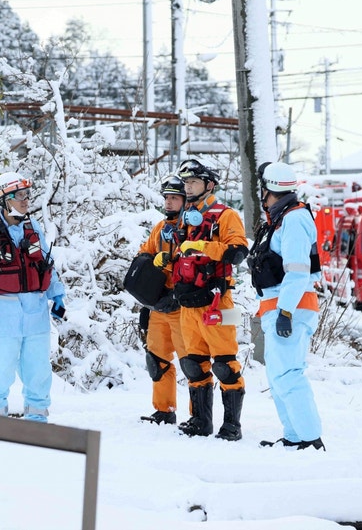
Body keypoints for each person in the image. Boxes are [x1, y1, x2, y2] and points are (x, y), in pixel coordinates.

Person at [0, 172, 65, 423]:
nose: (26, 200)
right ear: (5, 200)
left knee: (38, 372)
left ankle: (37, 421)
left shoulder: (33, 229)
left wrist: (58, 295)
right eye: (19, 196)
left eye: (27, 195)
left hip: (36, 314)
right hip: (4, 316)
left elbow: (46, 265)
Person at [248, 162, 325, 451]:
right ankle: (294, 436)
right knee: (278, 375)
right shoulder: (280, 220)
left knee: (289, 374)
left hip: (291, 307)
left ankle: (310, 438)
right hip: (277, 307)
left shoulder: (293, 219)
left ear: (267, 190)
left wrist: (286, 311)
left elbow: (297, 270)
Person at [172, 159, 249, 440]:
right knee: (193, 364)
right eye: (186, 183)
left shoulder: (225, 215)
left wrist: (206, 246)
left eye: (193, 182)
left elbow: (239, 252)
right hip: (188, 303)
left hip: (218, 302)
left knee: (225, 365)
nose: (188, 187)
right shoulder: (184, 215)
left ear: (209, 185)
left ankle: (232, 426)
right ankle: (200, 421)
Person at [137, 175, 188, 425]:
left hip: (183, 306)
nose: (168, 203)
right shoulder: (159, 228)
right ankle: (164, 410)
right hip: (159, 305)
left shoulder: (192, 227)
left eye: (174, 198)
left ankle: (199, 415)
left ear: (185, 199)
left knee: (193, 363)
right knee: (156, 359)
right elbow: (143, 255)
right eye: (166, 198)